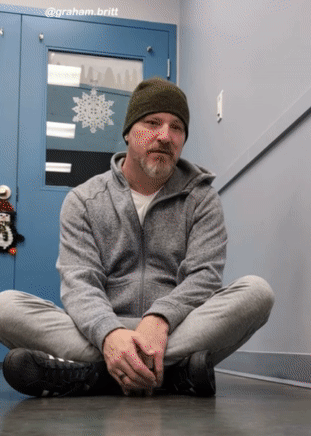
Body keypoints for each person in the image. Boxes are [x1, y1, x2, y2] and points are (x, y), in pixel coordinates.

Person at [0, 78, 274, 398]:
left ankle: (95, 376)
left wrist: (160, 318)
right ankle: (170, 373)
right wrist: (109, 334)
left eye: (176, 128)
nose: (165, 136)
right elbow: (80, 283)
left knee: (257, 293)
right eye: (152, 123)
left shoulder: (202, 199)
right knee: (5, 307)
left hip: (173, 330)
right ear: (129, 132)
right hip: (102, 331)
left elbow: (204, 277)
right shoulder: (84, 200)